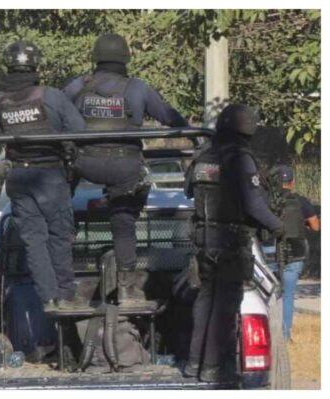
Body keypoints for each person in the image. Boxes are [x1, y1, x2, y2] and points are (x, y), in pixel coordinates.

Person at [62, 33, 189, 282]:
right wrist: (197, 135)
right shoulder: (137, 88)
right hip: (124, 165)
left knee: (59, 193)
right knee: (123, 221)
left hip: (84, 162)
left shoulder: (77, 86)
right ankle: (126, 278)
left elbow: (55, 116)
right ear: (126, 59)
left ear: (95, 58)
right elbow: (168, 116)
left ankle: (65, 248)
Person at [183, 104, 283, 382]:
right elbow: (254, 205)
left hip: (204, 241)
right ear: (247, 130)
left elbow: (188, 189)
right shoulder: (240, 158)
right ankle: (214, 368)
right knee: (226, 308)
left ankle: (194, 365)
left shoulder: (204, 155)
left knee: (205, 301)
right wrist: (278, 226)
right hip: (230, 243)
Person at [0, 40, 86, 312]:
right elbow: (79, 130)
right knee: (59, 235)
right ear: (35, 65)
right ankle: (65, 293)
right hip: (51, 176)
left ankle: (48, 297)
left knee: (34, 240)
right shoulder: (51, 96)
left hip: (19, 176)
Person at [265, 165, 320, 340]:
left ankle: (266, 333)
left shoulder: (268, 201)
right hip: (295, 254)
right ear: (293, 182)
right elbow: (316, 226)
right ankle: (284, 335)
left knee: (269, 294)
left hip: (270, 253)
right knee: (288, 295)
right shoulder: (301, 201)